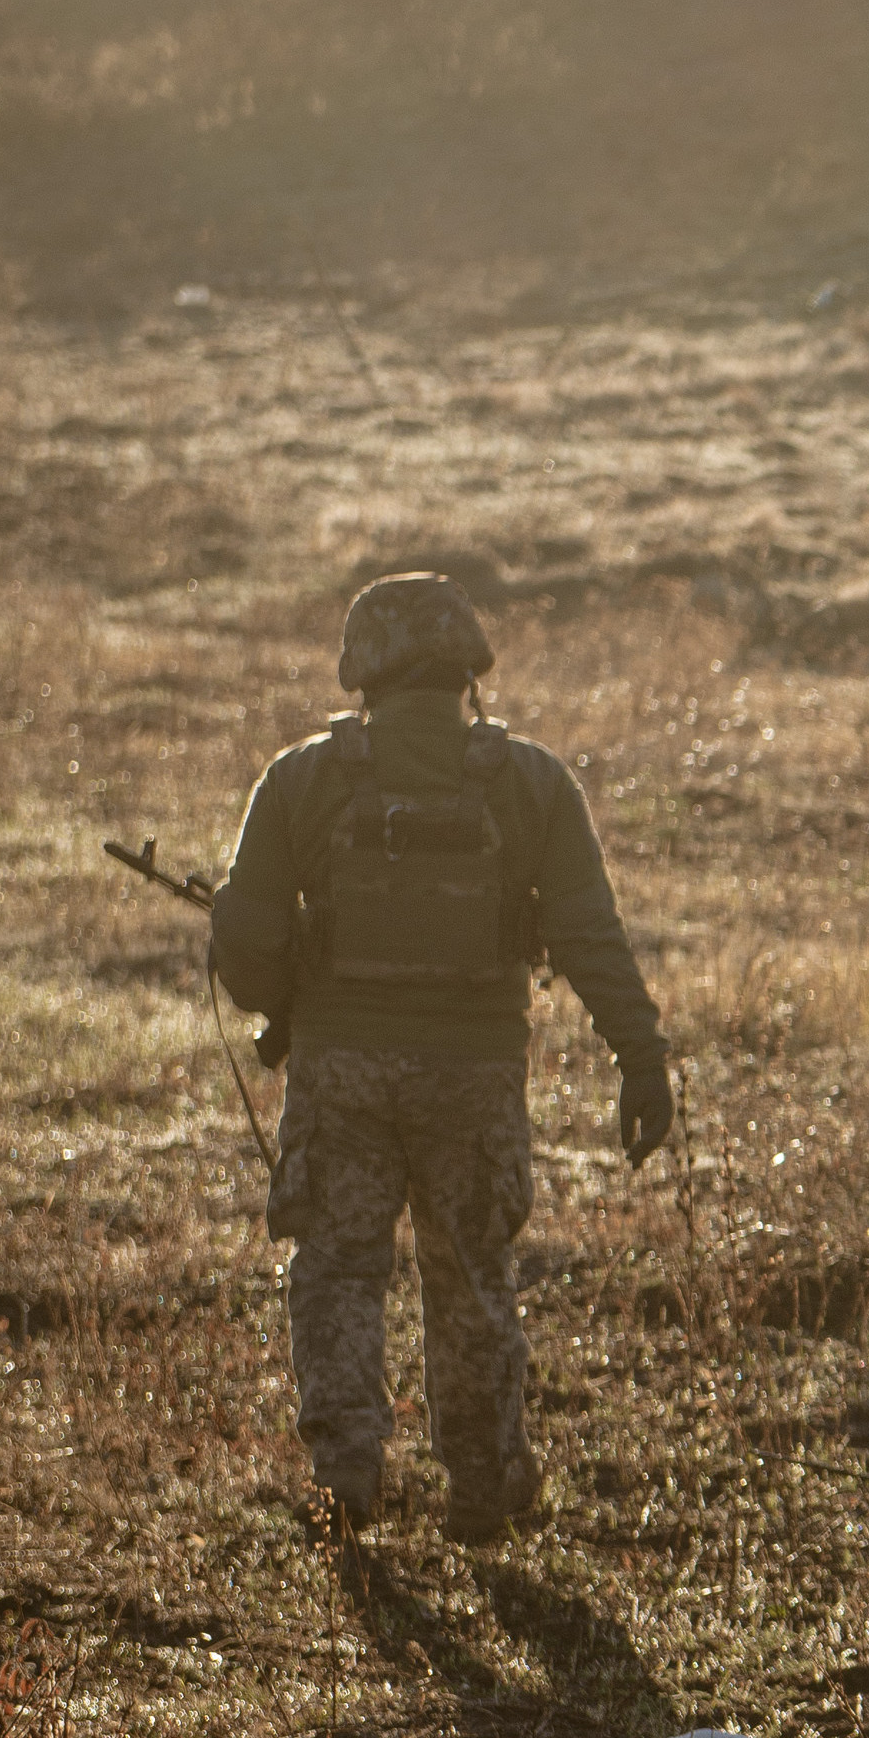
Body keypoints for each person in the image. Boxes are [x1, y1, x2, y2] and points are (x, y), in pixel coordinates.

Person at [212, 566, 674, 1548]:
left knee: (336, 1271)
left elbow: (244, 954)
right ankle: (482, 1483)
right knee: (471, 1274)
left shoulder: (301, 779)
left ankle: (344, 1474)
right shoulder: (530, 782)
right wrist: (641, 1056)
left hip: (340, 1071)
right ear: (469, 669)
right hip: (474, 1076)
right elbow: (592, 937)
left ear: (362, 672)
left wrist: (294, 990)